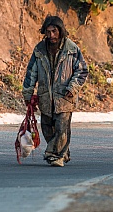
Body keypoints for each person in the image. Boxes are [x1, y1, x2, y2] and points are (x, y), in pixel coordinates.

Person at [22, 15, 88, 167]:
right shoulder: (39, 49)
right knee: (46, 127)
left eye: (54, 31)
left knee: (61, 128)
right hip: (45, 96)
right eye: (48, 31)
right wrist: (28, 93)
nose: (51, 35)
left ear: (61, 31)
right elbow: (31, 72)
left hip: (65, 96)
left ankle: (54, 155)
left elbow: (82, 71)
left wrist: (73, 87)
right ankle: (63, 152)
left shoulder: (72, 49)